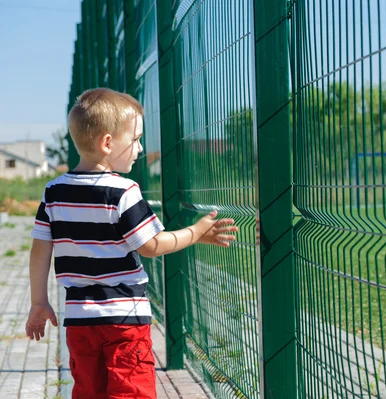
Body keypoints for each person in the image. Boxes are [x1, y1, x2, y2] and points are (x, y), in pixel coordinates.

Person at [25, 88, 238, 398]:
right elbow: (150, 245)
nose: (140, 148)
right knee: (130, 392)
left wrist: (39, 302)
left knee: (89, 391)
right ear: (108, 143)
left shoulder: (54, 192)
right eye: (136, 139)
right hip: (125, 318)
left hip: (80, 320)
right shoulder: (123, 191)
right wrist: (196, 232)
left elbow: (40, 250)